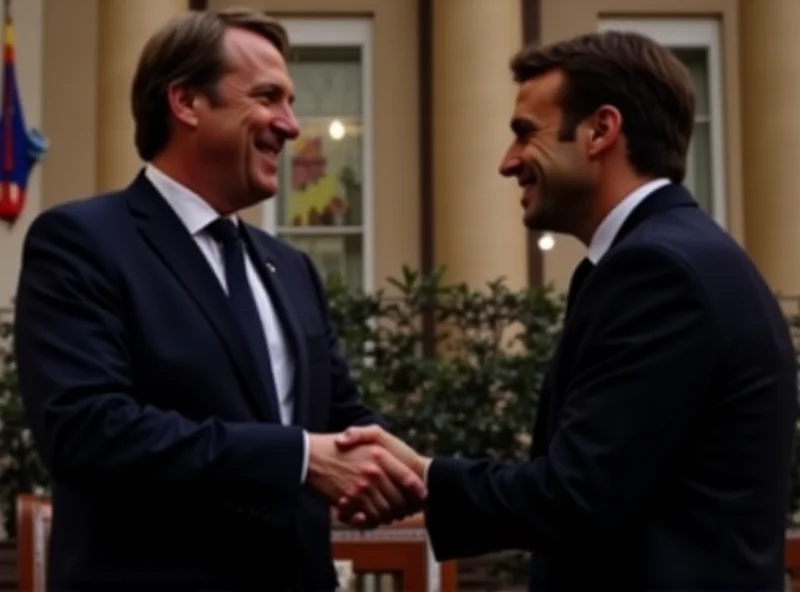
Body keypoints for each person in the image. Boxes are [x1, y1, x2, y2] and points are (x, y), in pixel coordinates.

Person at [336, 30, 798, 590]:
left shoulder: (658, 271)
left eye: (525, 134)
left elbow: (577, 493)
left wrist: (423, 477)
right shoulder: (669, 258)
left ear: (601, 130)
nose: (508, 163)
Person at [14, 9, 421, 591]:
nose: (291, 124)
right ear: (186, 103)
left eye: (290, 101)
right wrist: (301, 459)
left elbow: (338, 418)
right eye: (268, 97)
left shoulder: (292, 270)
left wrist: (396, 464)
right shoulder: (82, 242)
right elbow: (88, 430)